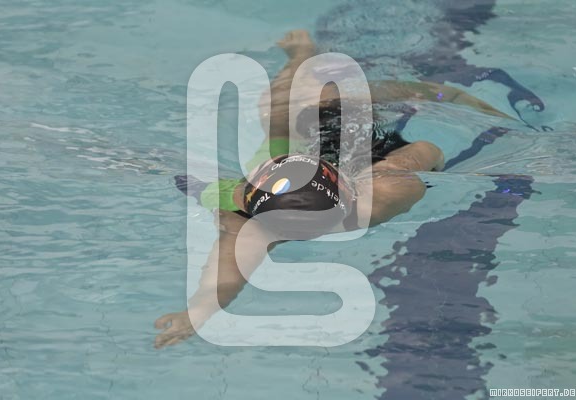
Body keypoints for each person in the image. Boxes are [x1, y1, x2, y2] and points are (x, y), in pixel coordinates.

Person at [154, 30, 512, 348]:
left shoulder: (257, 214)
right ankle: (302, 56)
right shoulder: (383, 193)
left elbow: (227, 270)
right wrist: (196, 314)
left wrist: (199, 311)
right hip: (362, 163)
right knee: (284, 119)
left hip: (361, 154)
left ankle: (301, 57)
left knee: (280, 116)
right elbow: (427, 149)